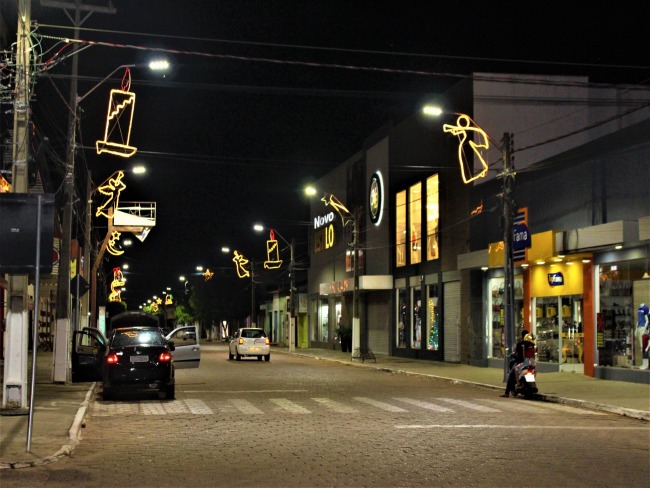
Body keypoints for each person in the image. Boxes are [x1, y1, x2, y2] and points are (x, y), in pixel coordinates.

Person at [501, 329, 529, 397]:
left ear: (522, 336)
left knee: (510, 375)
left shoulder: (519, 344)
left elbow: (516, 353)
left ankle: (507, 393)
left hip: (520, 363)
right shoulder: (529, 344)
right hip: (528, 363)